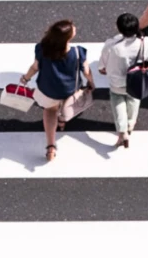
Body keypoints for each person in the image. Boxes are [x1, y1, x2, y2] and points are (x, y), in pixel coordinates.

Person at [20, 20, 95, 161]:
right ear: (68, 37)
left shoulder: (42, 49)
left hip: (48, 88)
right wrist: (91, 82)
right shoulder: (78, 52)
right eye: (72, 28)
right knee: (66, 105)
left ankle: (50, 146)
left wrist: (25, 78)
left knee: (50, 110)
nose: (75, 27)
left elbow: (35, 67)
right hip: (70, 89)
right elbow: (86, 71)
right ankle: (62, 120)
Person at [98, 13, 148, 148]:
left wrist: (102, 69)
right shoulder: (145, 43)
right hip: (136, 81)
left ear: (119, 29)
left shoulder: (111, 44)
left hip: (116, 82)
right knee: (134, 100)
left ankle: (122, 131)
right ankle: (130, 123)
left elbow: (102, 65)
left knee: (117, 101)